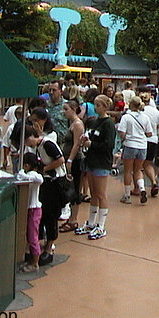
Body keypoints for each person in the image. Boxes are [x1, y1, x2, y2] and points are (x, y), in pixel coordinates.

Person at [12, 124, 66, 263]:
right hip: (46, 183)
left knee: (51, 215)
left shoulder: (47, 144)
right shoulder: (37, 148)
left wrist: (43, 170)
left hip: (55, 183)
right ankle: (39, 246)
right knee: (43, 215)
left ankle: (49, 247)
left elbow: (60, 160)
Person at [75, 94, 116, 240]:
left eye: (98, 105)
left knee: (100, 193)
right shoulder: (95, 122)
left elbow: (108, 145)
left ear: (105, 106)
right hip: (91, 160)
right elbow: (92, 136)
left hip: (101, 162)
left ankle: (101, 225)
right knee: (93, 193)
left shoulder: (108, 124)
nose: (96, 108)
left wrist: (92, 144)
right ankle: (91, 222)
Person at [116, 96, 152, 205]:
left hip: (130, 145)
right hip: (142, 146)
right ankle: (142, 189)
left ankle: (127, 195)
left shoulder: (126, 117)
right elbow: (149, 133)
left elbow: (121, 133)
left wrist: (127, 136)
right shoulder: (145, 117)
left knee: (128, 170)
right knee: (138, 170)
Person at [59, 100, 85, 233]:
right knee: (69, 187)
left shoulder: (78, 125)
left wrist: (70, 159)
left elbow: (77, 144)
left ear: (74, 109)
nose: (64, 112)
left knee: (74, 188)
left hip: (74, 160)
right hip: (68, 157)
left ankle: (74, 219)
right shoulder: (72, 124)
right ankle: (70, 218)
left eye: (66, 109)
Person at [16, 152, 44, 273]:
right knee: (29, 235)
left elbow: (36, 178)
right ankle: (31, 259)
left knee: (33, 237)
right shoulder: (28, 175)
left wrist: (24, 173)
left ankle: (35, 263)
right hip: (29, 209)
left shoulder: (35, 176)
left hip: (34, 209)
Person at [139, 88, 159, 197]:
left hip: (141, 140)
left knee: (137, 166)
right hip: (153, 140)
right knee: (148, 163)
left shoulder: (139, 111)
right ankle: (153, 181)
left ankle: (139, 187)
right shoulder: (156, 111)